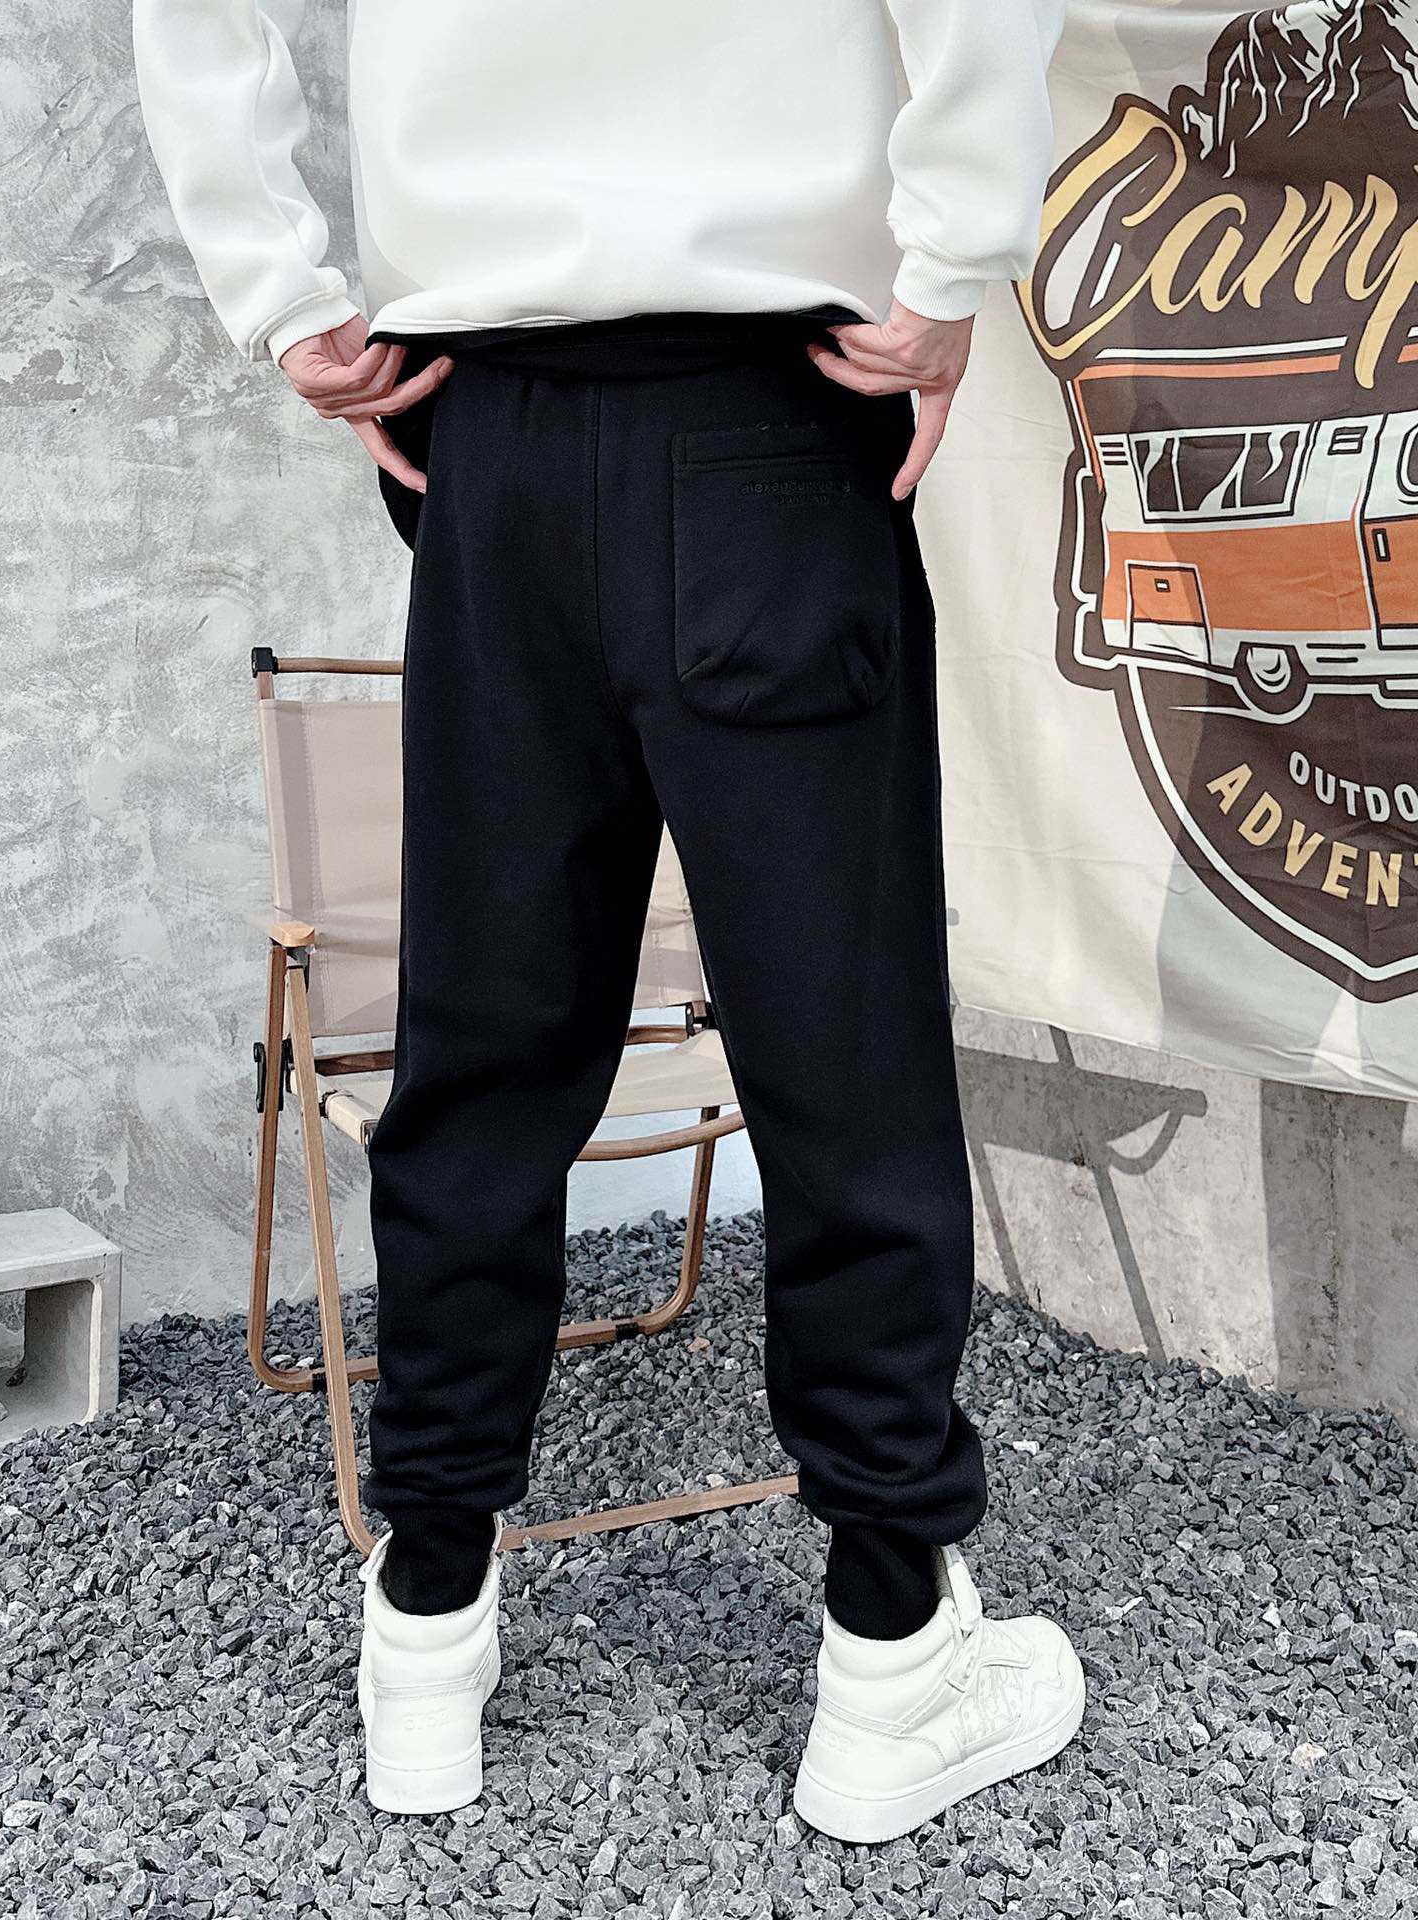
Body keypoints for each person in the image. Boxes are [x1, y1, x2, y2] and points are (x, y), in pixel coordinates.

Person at [132, 0, 1083, 1841]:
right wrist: (954, 254)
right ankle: (891, 1654)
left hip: (490, 435)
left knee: (484, 1051)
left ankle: (427, 1622)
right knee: (841, 1053)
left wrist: (283, 289)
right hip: (769, 418)